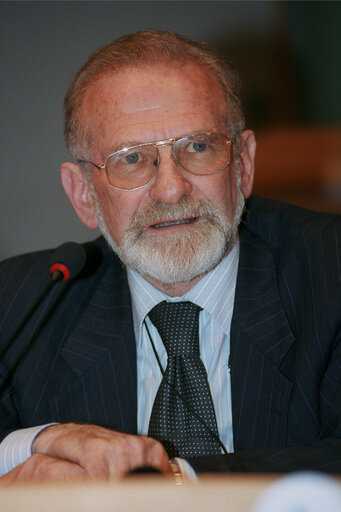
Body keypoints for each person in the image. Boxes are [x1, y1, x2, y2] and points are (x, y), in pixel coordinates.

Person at [0, 30, 340, 484]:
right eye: (131, 158)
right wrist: (32, 444)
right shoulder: (22, 303)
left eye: (197, 147)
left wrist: (167, 481)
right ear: (82, 194)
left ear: (243, 164)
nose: (171, 188)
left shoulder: (331, 270)